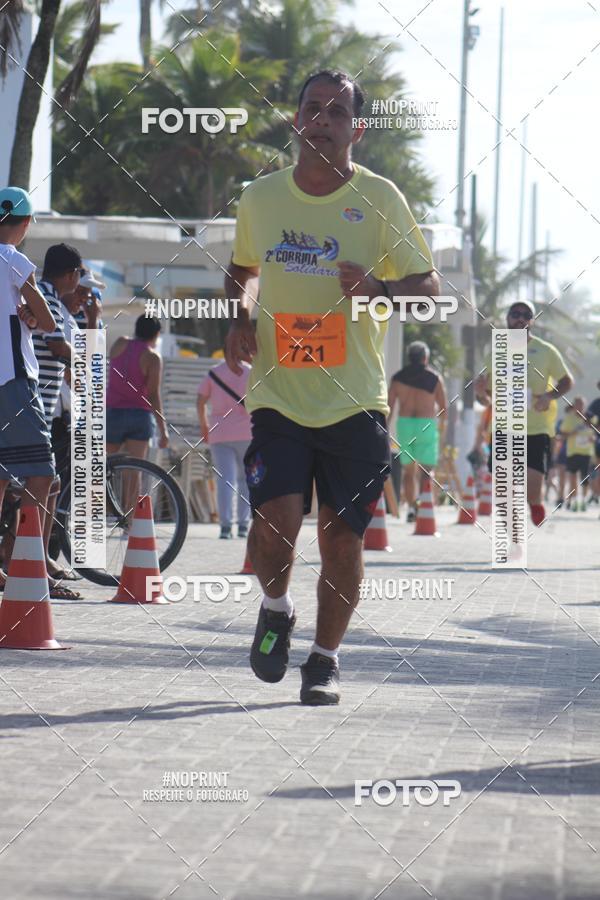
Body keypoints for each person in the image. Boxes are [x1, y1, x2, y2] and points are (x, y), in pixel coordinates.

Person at [225, 69, 439, 704]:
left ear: (357, 129)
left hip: (355, 399)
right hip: (278, 394)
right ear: (296, 120)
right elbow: (242, 271)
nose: (322, 118)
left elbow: (428, 291)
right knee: (273, 525)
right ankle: (275, 606)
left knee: (341, 540)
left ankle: (324, 659)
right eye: (312, 108)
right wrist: (239, 317)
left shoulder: (382, 199)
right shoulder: (260, 198)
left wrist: (378, 289)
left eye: (337, 112)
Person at [0, 186, 58, 593]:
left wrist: (24, 318)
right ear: (22, 224)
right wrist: (32, 315)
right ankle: (24, 562)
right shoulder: (13, 260)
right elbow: (49, 321)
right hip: (14, 382)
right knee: (43, 473)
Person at [476, 300, 574, 526]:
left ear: (532, 321)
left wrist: (549, 397)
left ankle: (535, 503)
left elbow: (567, 381)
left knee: (532, 487)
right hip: (503, 428)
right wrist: (481, 394)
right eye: (515, 314)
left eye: (525, 315)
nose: (520, 318)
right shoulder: (497, 352)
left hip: (536, 429)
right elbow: (487, 397)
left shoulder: (546, 351)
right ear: (508, 319)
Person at [32, 244, 83, 589]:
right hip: (33, 403)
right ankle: (27, 558)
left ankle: (38, 556)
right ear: (70, 274)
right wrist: (82, 363)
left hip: (44, 406)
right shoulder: (46, 298)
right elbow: (55, 345)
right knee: (42, 480)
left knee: (52, 482)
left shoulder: (51, 297)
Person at [106, 315, 169, 523]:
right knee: (134, 471)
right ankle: (129, 520)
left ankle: (94, 513)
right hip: (139, 416)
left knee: (101, 466)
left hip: (113, 413)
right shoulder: (153, 358)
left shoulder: (119, 344)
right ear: (156, 334)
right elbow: (153, 395)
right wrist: (163, 429)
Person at [387, 341, 447, 522]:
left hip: (405, 425)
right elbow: (444, 408)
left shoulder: (398, 378)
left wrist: (383, 431)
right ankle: (424, 505)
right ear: (425, 357)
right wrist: (441, 431)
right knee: (426, 470)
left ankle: (413, 507)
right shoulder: (434, 378)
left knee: (408, 471)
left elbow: (389, 407)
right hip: (426, 425)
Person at [197, 355, 251, 539]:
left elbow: (200, 400)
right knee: (246, 480)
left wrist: (204, 426)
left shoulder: (214, 372)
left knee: (225, 480)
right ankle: (243, 525)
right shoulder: (251, 372)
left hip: (219, 433)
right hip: (247, 433)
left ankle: (225, 527)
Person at [559, 397, 595, 511]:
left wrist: (593, 438)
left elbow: (595, 433)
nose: (580, 407)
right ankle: (573, 501)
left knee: (585, 478)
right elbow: (563, 436)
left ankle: (583, 501)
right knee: (573, 478)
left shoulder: (590, 418)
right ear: (574, 406)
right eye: (578, 404)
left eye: (582, 404)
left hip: (587, 452)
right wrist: (572, 433)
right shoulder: (569, 419)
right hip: (573, 452)